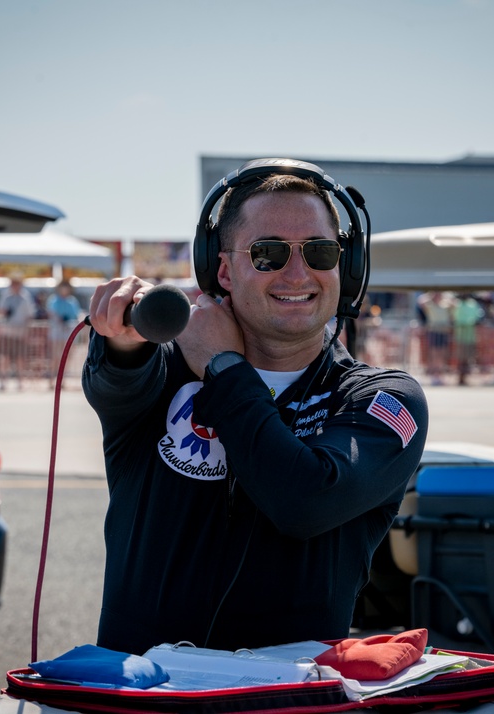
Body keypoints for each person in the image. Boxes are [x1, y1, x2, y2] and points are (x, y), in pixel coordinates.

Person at [82, 161, 428, 656]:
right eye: (269, 253)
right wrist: (122, 336)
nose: (297, 272)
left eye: (320, 252)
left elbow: (304, 500)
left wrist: (223, 368)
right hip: (143, 697)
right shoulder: (164, 371)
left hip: (286, 703)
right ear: (222, 269)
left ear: (345, 268)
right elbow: (117, 379)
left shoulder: (384, 398)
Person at [0, 272, 36, 390]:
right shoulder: (5, 295)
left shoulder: (25, 296)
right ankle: (3, 382)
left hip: (20, 333)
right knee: (4, 358)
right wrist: (5, 312)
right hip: (6, 332)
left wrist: (28, 332)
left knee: (20, 358)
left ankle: (20, 382)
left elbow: (30, 315)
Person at [46, 278, 83, 382]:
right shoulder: (53, 299)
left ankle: (62, 380)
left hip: (68, 333)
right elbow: (51, 313)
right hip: (57, 332)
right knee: (55, 357)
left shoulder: (72, 301)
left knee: (66, 358)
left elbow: (77, 315)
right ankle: (52, 379)